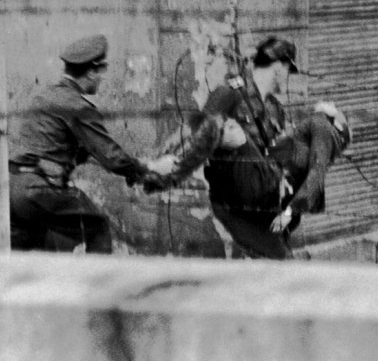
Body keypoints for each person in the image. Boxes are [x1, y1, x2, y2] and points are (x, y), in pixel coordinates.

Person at [8, 35, 174, 252]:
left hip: (11, 190)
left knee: (32, 258)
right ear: (92, 72)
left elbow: (87, 154)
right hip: (40, 191)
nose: (101, 80)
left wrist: (136, 171)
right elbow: (111, 157)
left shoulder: (43, 96)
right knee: (96, 228)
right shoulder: (78, 106)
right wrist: (151, 167)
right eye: (100, 74)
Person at [162, 36, 300, 258]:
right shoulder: (230, 92)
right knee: (279, 260)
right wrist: (170, 160)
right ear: (277, 67)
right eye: (288, 70)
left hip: (261, 201)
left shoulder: (276, 111)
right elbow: (197, 128)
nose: (289, 78)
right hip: (234, 204)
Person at [269, 101, 352, 234]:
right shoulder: (320, 124)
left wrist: (288, 213)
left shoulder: (321, 126)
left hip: (287, 191)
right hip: (285, 183)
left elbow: (317, 171)